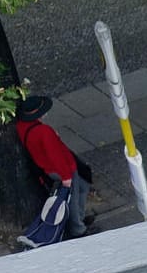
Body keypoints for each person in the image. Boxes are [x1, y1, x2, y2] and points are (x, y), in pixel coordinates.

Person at [15, 95, 91, 239]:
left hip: (49, 169)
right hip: (64, 169)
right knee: (73, 199)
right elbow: (55, 155)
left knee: (82, 187)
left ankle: (79, 220)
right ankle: (78, 229)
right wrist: (66, 177)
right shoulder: (44, 131)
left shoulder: (22, 127)